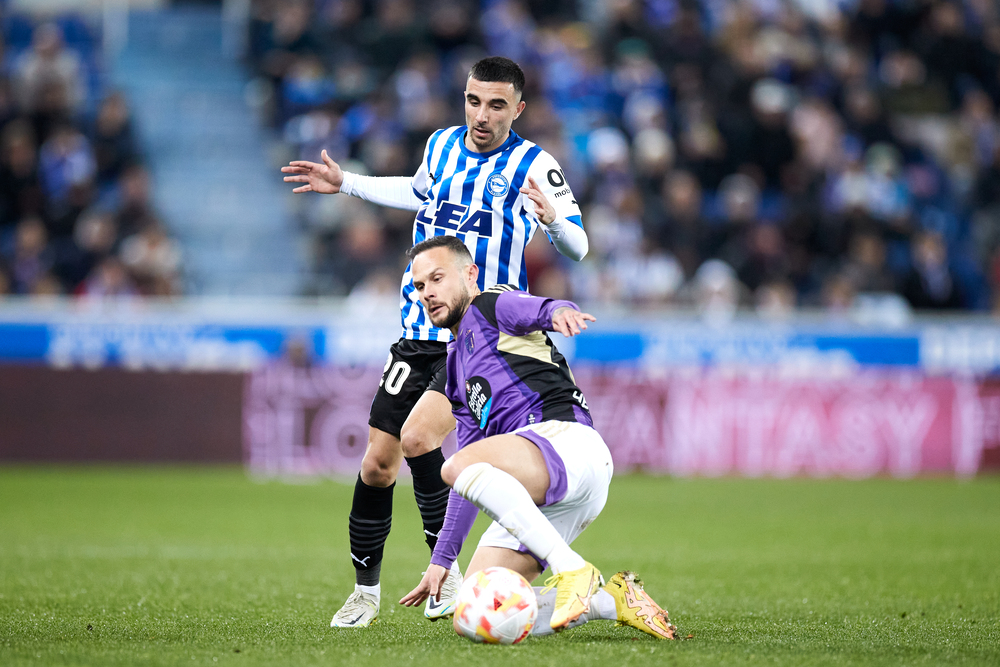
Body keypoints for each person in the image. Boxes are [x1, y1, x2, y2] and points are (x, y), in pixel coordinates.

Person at [281, 56, 589, 627]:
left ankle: (443, 575)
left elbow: (579, 245)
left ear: (517, 109)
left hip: (482, 339)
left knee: (422, 437)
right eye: (474, 101)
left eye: (497, 105)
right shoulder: (442, 145)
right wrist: (347, 182)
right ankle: (366, 592)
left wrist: (553, 222)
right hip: (418, 332)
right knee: (378, 462)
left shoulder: (535, 164)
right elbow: (417, 191)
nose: (482, 114)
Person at [398, 235, 676, 639]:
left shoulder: (490, 306)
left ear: (470, 274)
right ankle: (611, 601)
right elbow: (468, 480)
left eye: (437, 279)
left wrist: (562, 310)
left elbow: (538, 308)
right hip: (547, 491)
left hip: (566, 442)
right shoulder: (457, 367)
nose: (428, 293)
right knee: (474, 610)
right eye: (420, 286)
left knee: (458, 465)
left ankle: (571, 568)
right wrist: (442, 560)